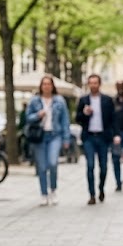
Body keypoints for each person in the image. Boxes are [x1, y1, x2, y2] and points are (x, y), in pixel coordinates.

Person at [25, 75, 71, 206]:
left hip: (54, 135)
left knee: (52, 163)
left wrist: (66, 138)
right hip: (39, 137)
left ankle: (53, 190)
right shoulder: (35, 101)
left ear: (52, 86)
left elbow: (65, 120)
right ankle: (44, 193)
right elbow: (27, 118)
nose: (46, 86)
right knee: (42, 167)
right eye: (44, 84)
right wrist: (37, 115)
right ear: (41, 86)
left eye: (49, 84)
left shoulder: (59, 101)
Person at [75, 74, 115, 205]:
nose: (93, 85)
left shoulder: (107, 100)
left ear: (99, 84)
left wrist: (115, 135)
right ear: (88, 84)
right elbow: (77, 118)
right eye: (91, 83)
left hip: (103, 137)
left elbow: (112, 119)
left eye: (95, 83)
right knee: (90, 165)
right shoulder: (83, 100)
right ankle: (92, 195)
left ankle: (101, 188)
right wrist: (85, 113)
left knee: (103, 167)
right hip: (89, 138)